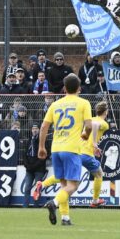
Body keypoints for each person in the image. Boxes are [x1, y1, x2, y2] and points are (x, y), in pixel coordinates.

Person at [38, 74, 92, 226]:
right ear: (79, 88)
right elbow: (88, 126)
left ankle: (65, 218)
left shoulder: (55, 104)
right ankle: (53, 203)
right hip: (72, 148)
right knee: (73, 185)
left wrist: (42, 147)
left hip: (56, 148)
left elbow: (44, 127)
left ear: (64, 88)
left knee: (64, 185)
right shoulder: (83, 103)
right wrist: (85, 135)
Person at [22, 123, 48, 208]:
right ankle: (25, 206)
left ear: (39, 130)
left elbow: (44, 156)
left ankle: (36, 206)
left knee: (37, 188)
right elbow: (25, 154)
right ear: (31, 130)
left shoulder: (43, 140)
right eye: (33, 128)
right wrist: (27, 165)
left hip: (39, 169)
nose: (34, 130)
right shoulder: (29, 140)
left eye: (36, 128)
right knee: (27, 188)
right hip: (29, 169)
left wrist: (34, 166)